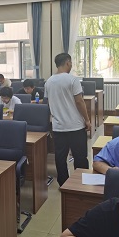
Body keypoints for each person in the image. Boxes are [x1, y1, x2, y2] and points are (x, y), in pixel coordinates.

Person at [45, 53, 90, 186]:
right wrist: (87, 120)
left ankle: (64, 184)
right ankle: (81, 183)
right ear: (68, 63)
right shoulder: (73, 80)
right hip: (75, 126)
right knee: (80, 157)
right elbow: (79, 101)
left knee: (60, 158)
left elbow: (47, 103)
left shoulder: (49, 82)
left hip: (58, 127)